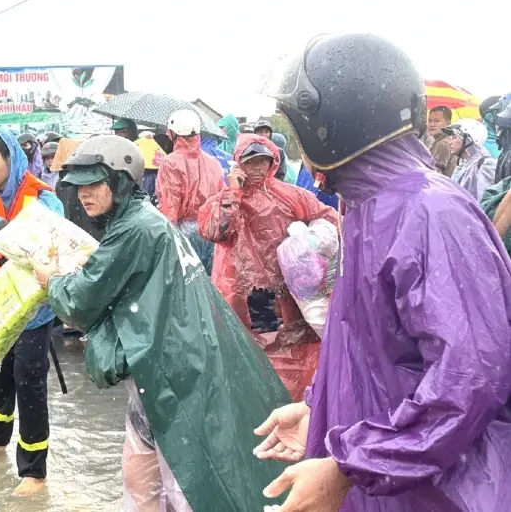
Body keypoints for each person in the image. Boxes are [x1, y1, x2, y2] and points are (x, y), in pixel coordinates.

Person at [254, 32, 511, 512]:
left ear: (331, 126)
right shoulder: (365, 208)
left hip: (440, 491)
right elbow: (367, 348)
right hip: (389, 482)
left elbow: (470, 378)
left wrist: (352, 465)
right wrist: (319, 409)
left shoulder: (429, 214)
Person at [30, 135, 290, 512]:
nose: (84, 195)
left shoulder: (134, 229)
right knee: (144, 476)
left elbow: (80, 302)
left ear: (119, 182)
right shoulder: (144, 221)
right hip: (170, 362)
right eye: (79, 186)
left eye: (94, 184)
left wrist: (52, 280)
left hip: (172, 370)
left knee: (184, 479)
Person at [0, 128, 64, 496]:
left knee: (29, 383)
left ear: (11, 159)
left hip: (33, 311)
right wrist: (3, 229)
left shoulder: (45, 197)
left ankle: (35, 471)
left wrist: (14, 233)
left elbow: (50, 238)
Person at [198, 135, 337, 332]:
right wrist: (233, 193)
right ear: (239, 164)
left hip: (286, 281)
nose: (256, 167)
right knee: (249, 335)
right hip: (244, 285)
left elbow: (327, 215)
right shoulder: (227, 198)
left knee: (288, 335)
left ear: (272, 162)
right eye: (250, 161)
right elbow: (214, 231)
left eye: (262, 161)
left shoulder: (289, 194)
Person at [156, 109, 225, 273]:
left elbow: (169, 207)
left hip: (183, 232)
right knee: (208, 284)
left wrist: (163, 240)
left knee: (185, 286)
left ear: (173, 133)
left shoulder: (170, 163)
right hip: (210, 231)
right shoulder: (213, 163)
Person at [445, 119, 496, 200]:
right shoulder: (462, 165)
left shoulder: (484, 165)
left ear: (468, 139)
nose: (450, 142)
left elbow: (483, 200)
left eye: (454, 137)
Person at [424, 105, 457, 176]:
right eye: (429, 121)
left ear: (448, 123)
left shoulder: (443, 144)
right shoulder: (446, 141)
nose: (432, 124)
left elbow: (435, 174)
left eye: (437, 121)